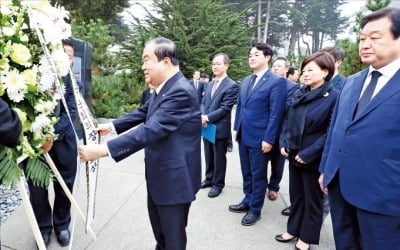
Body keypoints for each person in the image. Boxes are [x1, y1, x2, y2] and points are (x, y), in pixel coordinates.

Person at [79, 37, 201, 250]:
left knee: (173, 241)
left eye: (147, 60)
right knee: (161, 235)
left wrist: (102, 150)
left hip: (174, 181)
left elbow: (151, 130)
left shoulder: (180, 91)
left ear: (165, 62)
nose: (143, 66)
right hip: (161, 176)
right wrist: (113, 126)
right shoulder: (164, 87)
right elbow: (145, 112)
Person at [319, 7, 400, 250]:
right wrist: (326, 169)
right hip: (340, 186)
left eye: (375, 38)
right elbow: (336, 130)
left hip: (384, 197)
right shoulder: (352, 82)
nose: (365, 44)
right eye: (362, 38)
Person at [275, 52, 338, 250]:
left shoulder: (334, 96)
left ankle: (306, 237)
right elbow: (288, 119)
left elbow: (331, 131)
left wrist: (309, 153)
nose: (305, 74)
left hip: (314, 157)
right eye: (304, 70)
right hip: (294, 152)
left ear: (325, 71)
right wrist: (284, 140)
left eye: (311, 69)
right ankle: (293, 229)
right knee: (296, 195)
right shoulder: (300, 93)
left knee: (313, 199)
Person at [229, 42, 287, 226]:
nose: (251, 58)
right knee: (246, 172)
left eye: (256, 55)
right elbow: (240, 107)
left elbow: (276, 113)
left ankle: (255, 209)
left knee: (258, 174)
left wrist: (269, 139)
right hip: (244, 135)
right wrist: (236, 128)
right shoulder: (246, 80)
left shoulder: (276, 81)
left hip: (261, 138)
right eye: (250, 55)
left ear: (267, 57)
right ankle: (247, 199)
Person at [28, 39, 78, 247]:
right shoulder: (32, 74)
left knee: (64, 187)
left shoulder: (70, 80)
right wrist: (39, 138)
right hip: (35, 146)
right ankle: (43, 228)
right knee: (37, 191)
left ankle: (61, 225)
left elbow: (71, 112)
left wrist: (50, 136)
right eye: (64, 52)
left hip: (63, 144)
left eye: (70, 55)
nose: (67, 57)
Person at [200, 53, 239, 198]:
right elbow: (203, 102)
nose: (214, 66)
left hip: (219, 128)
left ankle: (218, 184)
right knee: (208, 155)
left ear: (226, 65)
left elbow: (225, 108)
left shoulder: (232, 85)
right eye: (213, 64)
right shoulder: (210, 84)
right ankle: (209, 179)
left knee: (219, 158)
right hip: (206, 126)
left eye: (218, 63)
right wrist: (202, 115)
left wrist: (207, 117)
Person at [269, 56, 299, 201]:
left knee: (278, 162)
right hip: (264, 129)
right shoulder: (266, 84)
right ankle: (260, 185)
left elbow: (287, 107)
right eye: (273, 66)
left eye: (279, 66)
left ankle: (274, 187)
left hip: (281, 131)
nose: (275, 68)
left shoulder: (293, 87)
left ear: (287, 69)